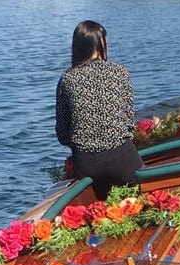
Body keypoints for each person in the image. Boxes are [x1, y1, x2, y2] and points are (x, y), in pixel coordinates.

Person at [55, 20, 144, 191]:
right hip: (121, 157)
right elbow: (128, 121)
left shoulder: (66, 79)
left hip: (86, 163)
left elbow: (63, 134)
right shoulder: (119, 72)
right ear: (101, 44)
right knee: (142, 191)